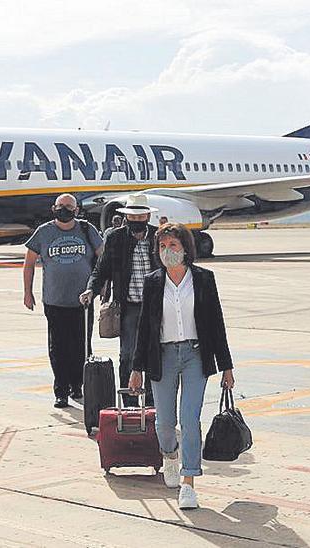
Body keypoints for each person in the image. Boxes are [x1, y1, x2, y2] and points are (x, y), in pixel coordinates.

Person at [128, 223, 234, 511]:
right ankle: (169, 456)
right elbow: (144, 330)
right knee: (164, 423)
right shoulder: (153, 282)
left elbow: (216, 324)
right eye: (162, 247)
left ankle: (189, 483)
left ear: (185, 248)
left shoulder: (203, 279)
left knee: (190, 419)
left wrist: (226, 366)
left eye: (173, 246)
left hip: (195, 355)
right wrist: (136, 368)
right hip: (162, 356)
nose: (167, 251)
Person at [23, 194, 104, 408]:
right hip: (54, 300)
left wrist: (103, 286)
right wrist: (27, 292)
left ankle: (77, 384)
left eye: (69, 207)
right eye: (61, 206)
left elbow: (102, 258)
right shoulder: (44, 232)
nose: (65, 210)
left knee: (81, 346)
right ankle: (61, 390)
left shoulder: (87, 230)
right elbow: (29, 263)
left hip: (82, 300)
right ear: (53, 208)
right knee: (58, 347)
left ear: (76, 210)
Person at [82, 193, 162, 406]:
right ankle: (129, 401)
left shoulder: (158, 237)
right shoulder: (116, 239)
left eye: (140, 217)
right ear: (126, 217)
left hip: (156, 307)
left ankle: (155, 402)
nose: (136, 222)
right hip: (129, 307)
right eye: (132, 218)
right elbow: (101, 270)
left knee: (156, 354)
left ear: (147, 216)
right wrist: (92, 289)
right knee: (127, 355)